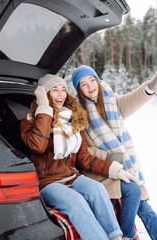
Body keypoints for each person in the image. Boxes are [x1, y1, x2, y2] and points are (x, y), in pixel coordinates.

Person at [20, 74, 141, 240]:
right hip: (47, 183)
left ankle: (116, 237)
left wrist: (114, 170)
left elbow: (84, 159)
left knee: (98, 190)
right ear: (44, 94)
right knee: (76, 201)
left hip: (70, 176)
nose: (61, 94)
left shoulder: (73, 120)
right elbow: (38, 146)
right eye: (54, 90)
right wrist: (44, 108)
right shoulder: (30, 121)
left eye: (63, 90)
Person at [71, 59, 157, 240]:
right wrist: (108, 155)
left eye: (92, 80)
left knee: (145, 208)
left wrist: (150, 87)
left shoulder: (111, 101)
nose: (90, 86)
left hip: (125, 165)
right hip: (102, 170)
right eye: (83, 84)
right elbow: (83, 151)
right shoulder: (80, 114)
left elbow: (132, 100)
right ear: (79, 89)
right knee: (138, 199)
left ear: (97, 79)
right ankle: (126, 236)